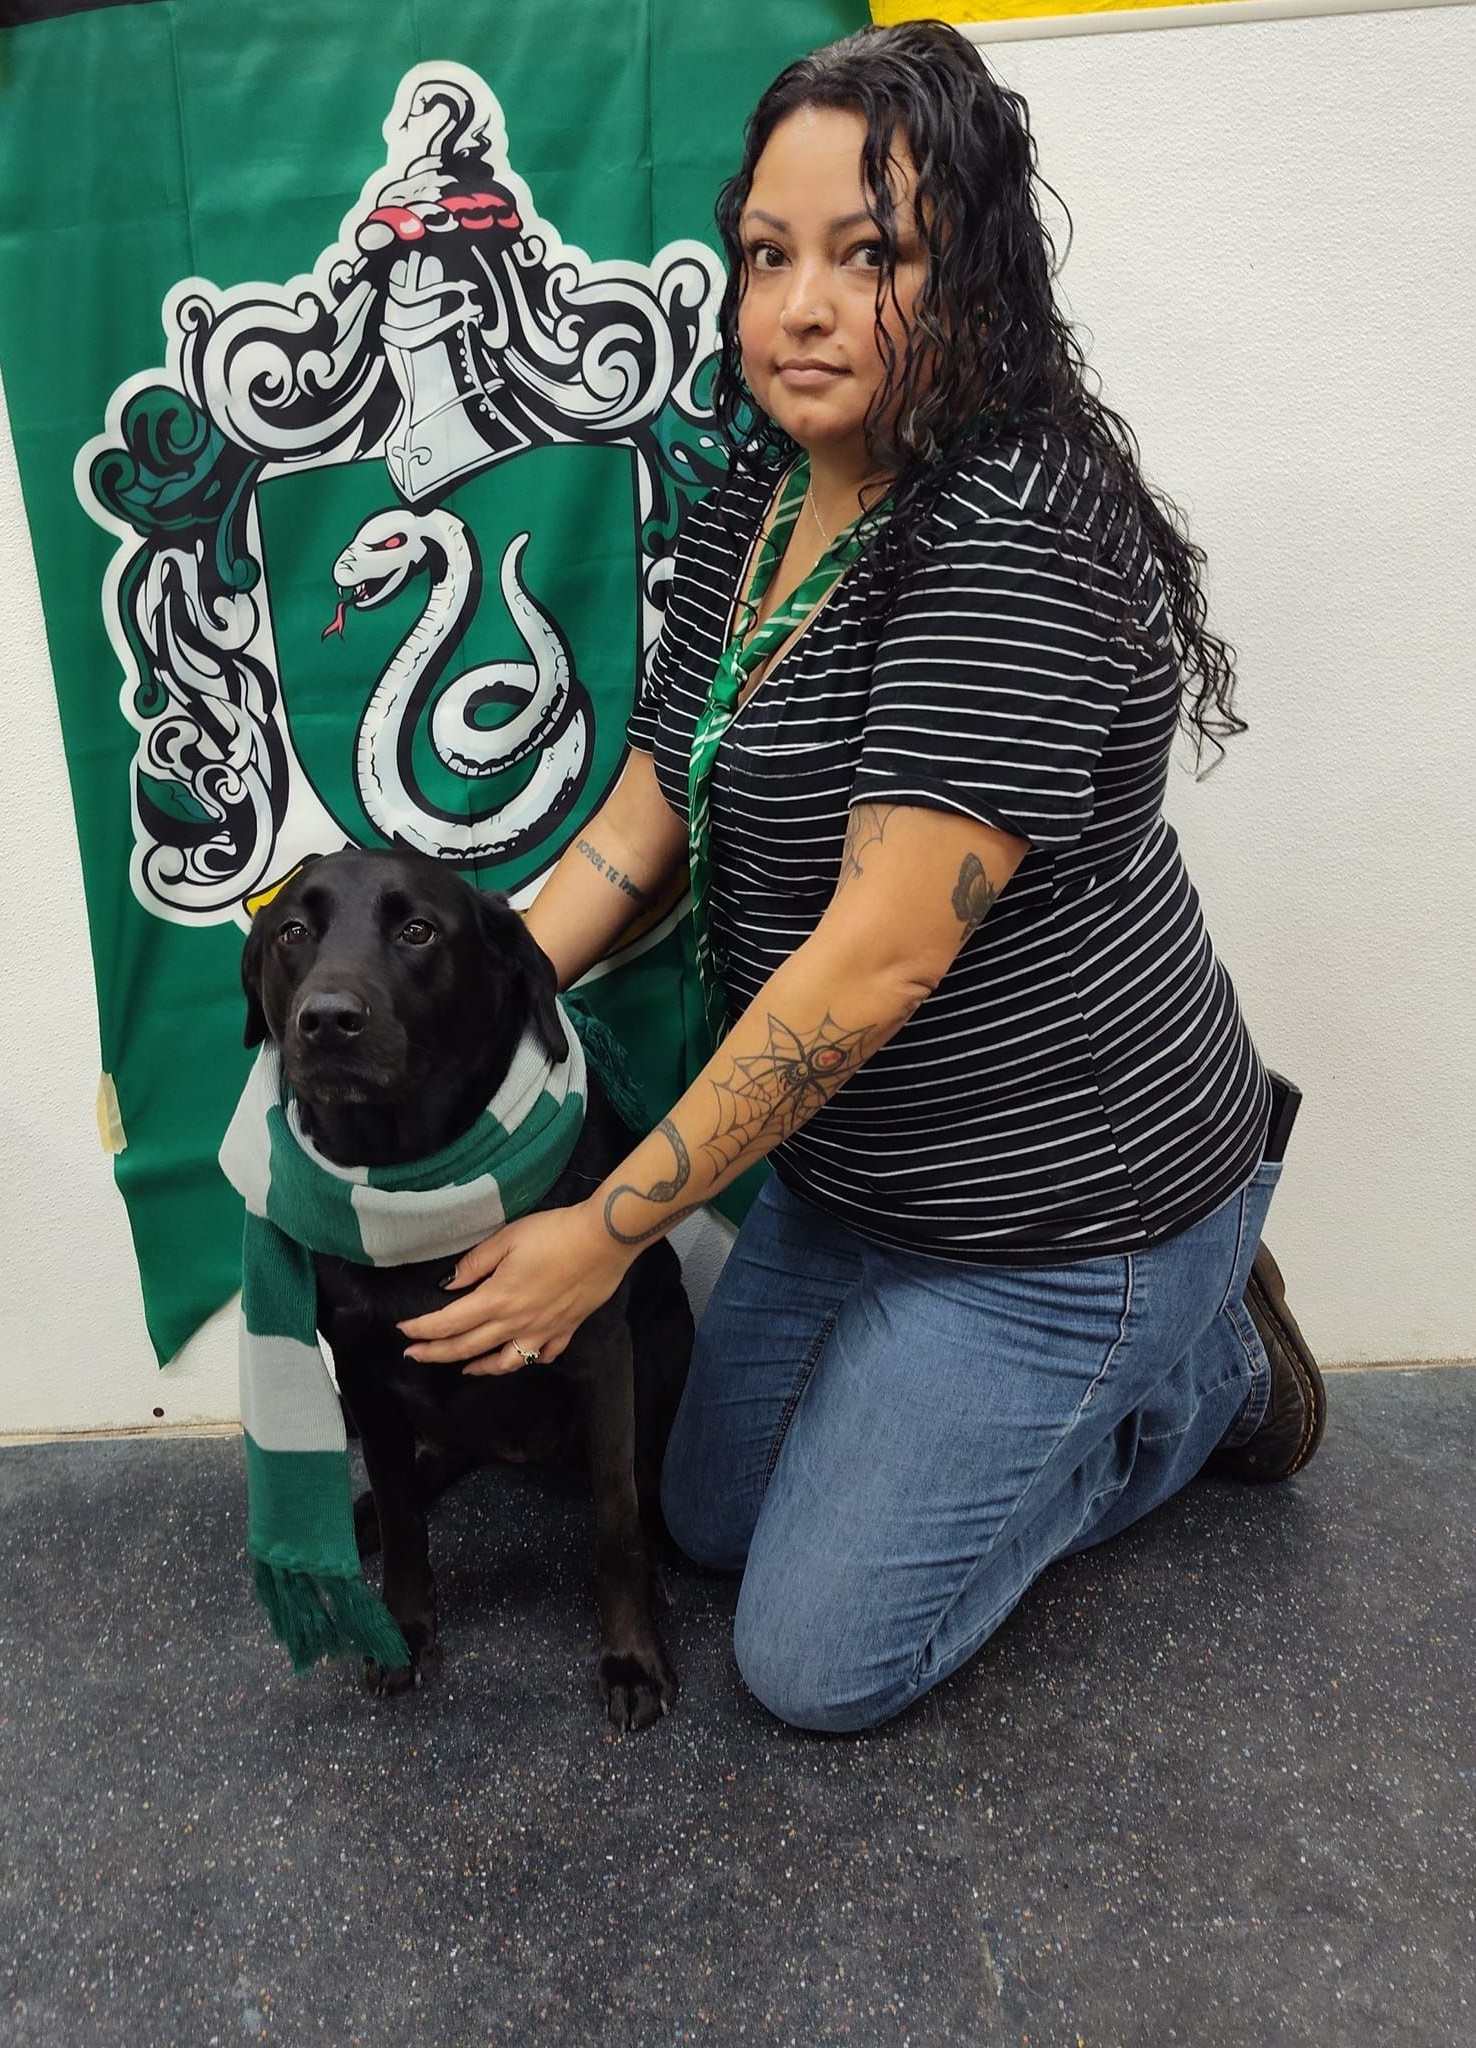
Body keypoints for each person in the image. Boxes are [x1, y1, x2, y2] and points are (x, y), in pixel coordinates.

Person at [397, 18, 1325, 1733]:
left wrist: (607, 1232)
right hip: (862, 1175)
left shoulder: (1015, 535)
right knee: (700, 1520)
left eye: (868, 254)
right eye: (767, 256)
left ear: (971, 273)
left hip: (1064, 1212)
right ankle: (1017, 1376)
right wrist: (457, 1009)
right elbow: (646, 812)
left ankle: (1204, 1374)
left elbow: (881, 960)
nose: (799, 307)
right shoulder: (767, 481)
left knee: (814, 1664)